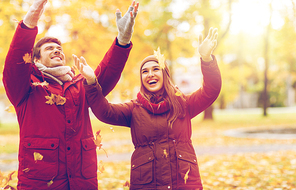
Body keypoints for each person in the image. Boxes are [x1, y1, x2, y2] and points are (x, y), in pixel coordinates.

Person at [2, 0, 139, 189]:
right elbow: (14, 64)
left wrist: (122, 41)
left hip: (82, 181)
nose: (57, 50)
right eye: (49, 48)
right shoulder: (26, 88)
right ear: (35, 59)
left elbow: (106, 75)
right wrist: (29, 22)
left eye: (59, 48)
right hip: (41, 183)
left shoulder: (79, 86)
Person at [77, 28, 221, 189]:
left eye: (155, 69)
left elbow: (211, 90)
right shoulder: (134, 109)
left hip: (184, 182)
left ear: (165, 74)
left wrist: (207, 59)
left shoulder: (183, 104)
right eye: (145, 71)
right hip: (147, 184)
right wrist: (91, 82)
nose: (150, 74)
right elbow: (105, 112)